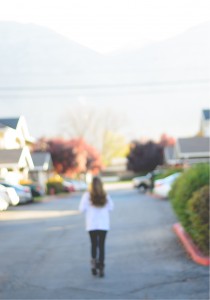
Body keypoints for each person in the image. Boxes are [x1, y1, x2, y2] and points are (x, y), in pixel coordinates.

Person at [79, 176, 114, 277]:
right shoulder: (105, 195)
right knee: (101, 246)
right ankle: (101, 267)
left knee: (94, 245)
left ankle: (94, 265)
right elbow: (111, 207)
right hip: (103, 225)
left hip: (92, 224)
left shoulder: (87, 195)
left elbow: (81, 208)